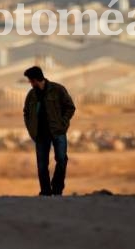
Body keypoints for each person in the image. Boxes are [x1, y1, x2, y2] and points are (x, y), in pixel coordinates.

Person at [22, 66, 76, 196]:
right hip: (40, 135)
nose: (30, 83)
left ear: (36, 79)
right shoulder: (31, 94)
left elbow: (70, 107)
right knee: (42, 165)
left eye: (31, 80)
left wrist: (62, 124)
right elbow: (26, 112)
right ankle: (45, 192)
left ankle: (57, 189)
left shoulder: (57, 90)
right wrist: (31, 130)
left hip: (58, 132)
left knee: (62, 160)